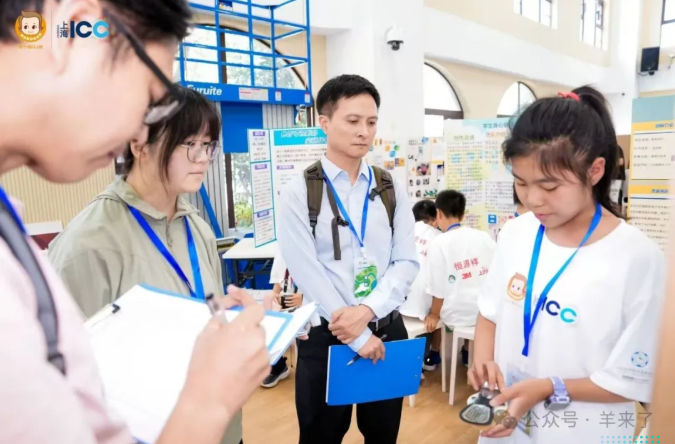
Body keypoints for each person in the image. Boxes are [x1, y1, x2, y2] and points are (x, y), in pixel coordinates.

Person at [0, 1, 269, 443]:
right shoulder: (87, 243)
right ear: (77, 29)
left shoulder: (197, 227)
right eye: (148, 96)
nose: (138, 132)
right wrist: (208, 402)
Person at [48, 87, 245, 444]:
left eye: (208, 145)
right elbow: (75, 377)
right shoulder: (89, 243)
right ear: (139, 145)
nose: (203, 158)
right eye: (190, 144)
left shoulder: (197, 228)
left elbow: (207, 307)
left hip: (219, 423)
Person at [469, 87, 664, 444]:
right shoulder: (516, 232)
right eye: (521, 183)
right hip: (507, 425)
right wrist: (483, 361)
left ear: (595, 171)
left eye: (550, 186)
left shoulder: (637, 257)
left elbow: (634, 378)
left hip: (584, 429)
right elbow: (490, 312)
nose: (533, 199)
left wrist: (548, 387)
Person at [277, 74, 419, 444]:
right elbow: (307, 272)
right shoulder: (299, 191)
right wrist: (356, 334)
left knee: (383, 434)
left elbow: (406, 261)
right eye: (353, 121)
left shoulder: (389, 187)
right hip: (326, 338)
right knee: (320, 436)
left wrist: (368, 311)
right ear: (324, 122)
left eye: (371, 122)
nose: (364, 132)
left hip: (386, 329)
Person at [422, 190, 496, 371]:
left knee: (436, 310)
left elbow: (438, 289)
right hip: (486, 313)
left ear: (438, 213)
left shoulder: (439, 242)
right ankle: (467, 352)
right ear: (463, 215)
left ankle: (436, 354)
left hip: (457, 315)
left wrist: (433, 315)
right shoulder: (484, 237)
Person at [263, 251, 303, 388]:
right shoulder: (282, 251)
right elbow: (277, 286)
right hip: (286, 305)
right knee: (266, 325)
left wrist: (303, 298)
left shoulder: (310, 250)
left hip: (308, 305)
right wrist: (274, 297)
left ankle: (304, 371)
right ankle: (278, 366)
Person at [399, 199, 439, 322]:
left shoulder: (401, 232)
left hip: (396, 306)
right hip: (425, 309)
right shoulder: (438, 237)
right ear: (435, 219)